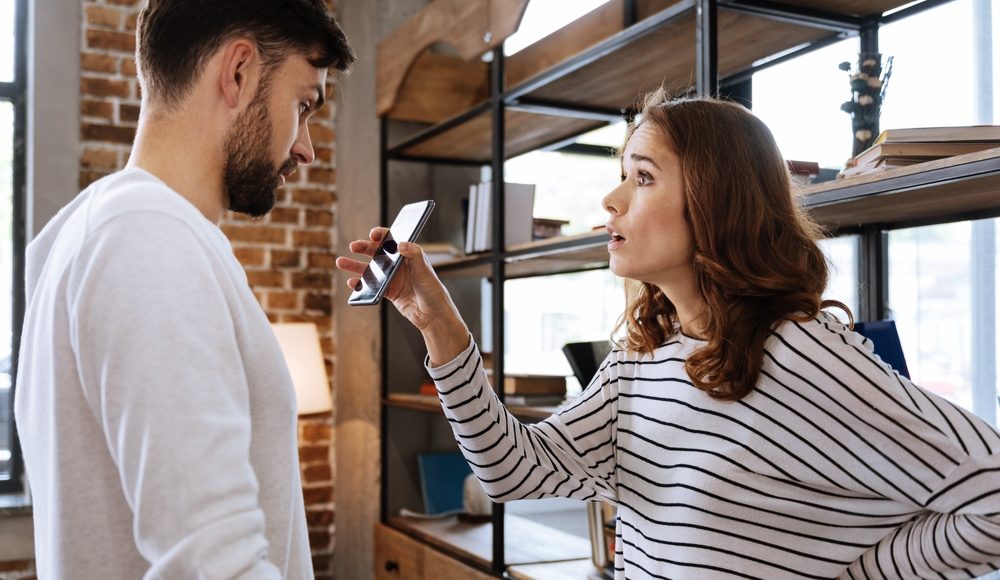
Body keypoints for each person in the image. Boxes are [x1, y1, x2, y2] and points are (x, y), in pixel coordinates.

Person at [337, 89, 1000, 579]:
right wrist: (438, 324)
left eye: (644, 177)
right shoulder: (642, 359)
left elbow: (991, 496)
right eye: (623, 173)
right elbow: (514, 471)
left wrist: (858, 575)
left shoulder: (805, 357)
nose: (612, 199)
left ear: (716, 201)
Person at [15, 1, 354, 578]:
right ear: (239, 72)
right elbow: (214, 564)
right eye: (302, 107)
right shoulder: (147, 239)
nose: (305, 148)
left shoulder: (88, 232)